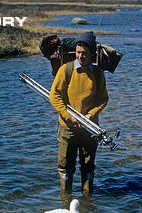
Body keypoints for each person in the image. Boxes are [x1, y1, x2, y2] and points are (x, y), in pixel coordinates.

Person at [49, 31, 109, 194]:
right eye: (78, 53)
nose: (80, 56)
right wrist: (69, 116)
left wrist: (91, 115)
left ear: (92, 54)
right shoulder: (65, 70)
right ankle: (65, 197)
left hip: (90, 128)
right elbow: (54, 96)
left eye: (84, 54)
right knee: (65, 166)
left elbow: (103, 99)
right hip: (67, 127)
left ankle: (88, 198)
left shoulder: (98, 73)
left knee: (88, 165)